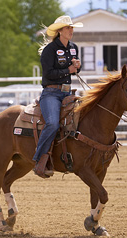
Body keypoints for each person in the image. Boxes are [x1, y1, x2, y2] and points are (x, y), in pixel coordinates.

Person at [32, 16, 83, 178]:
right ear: (60, 31)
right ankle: (39, 158)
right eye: (68, 28)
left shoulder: (74, 47)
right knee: (53, 123)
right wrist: (69, 70)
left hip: (68, 93)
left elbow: (73, 70)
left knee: (81, 121)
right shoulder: (50, 50)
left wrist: (77, 67)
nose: (71, 31)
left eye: (72, 28)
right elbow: (48, 73)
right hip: (51, 94)